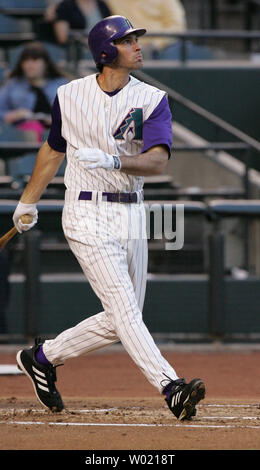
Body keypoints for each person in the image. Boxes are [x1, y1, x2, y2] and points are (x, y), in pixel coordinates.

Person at [14, 15, 205, 420]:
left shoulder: (153, 99)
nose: (137, 45)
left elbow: (157, 163)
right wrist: (27, 201)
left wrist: (113, 159)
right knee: (124, 308)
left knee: (123, 316)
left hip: (131, 212)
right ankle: (171, 386)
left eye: (136, 38)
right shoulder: (69, 94)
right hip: (85, 211)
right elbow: (52, 150)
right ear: (105, 52)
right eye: (127, 40)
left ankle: (43, 357)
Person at [0, 41, 68, 142]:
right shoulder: (12, 84)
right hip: (20, 135)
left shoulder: (61, 84)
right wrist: (13, 115)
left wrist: (56, 119)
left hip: (57, 134)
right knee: (33, 127)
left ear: (45, 63)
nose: (29, 65)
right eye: (26, 61)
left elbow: (74, 114)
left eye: (35, 60)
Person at [105, 0, 213, 60]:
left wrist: (155, 45)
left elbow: (178, 27)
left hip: (163, 47)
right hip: (127, 48)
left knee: (176, 54)